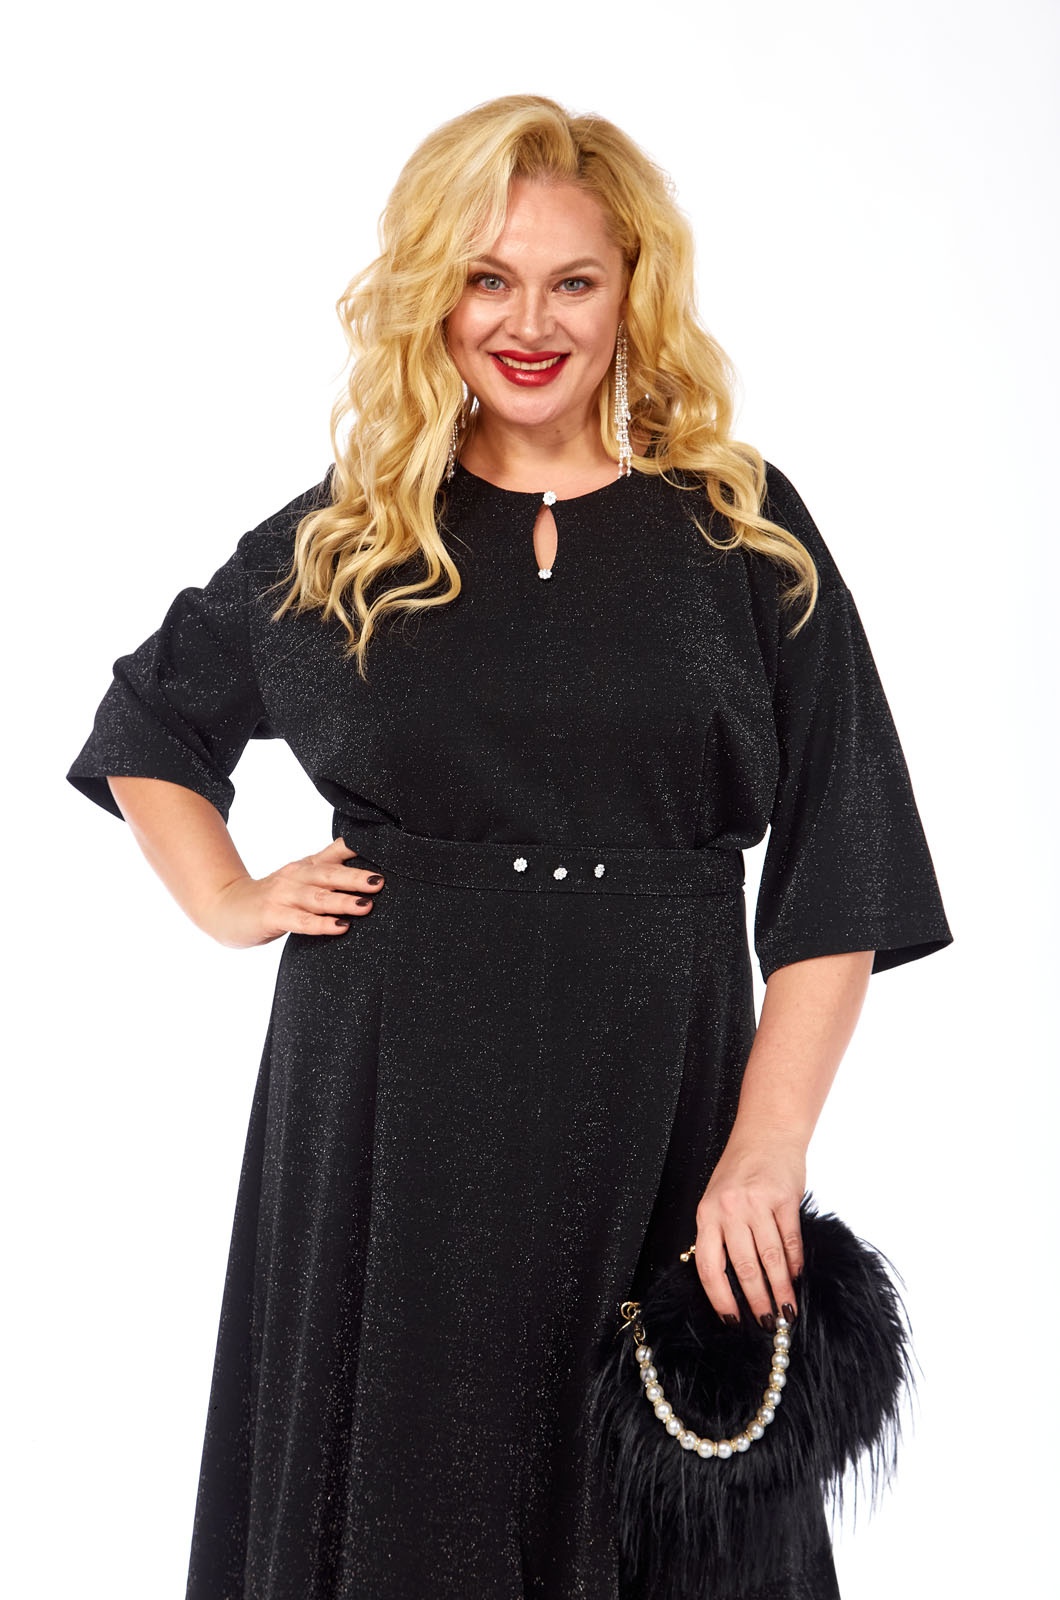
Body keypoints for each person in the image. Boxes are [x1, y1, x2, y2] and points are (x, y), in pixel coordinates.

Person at [68, 94, 952, 1600]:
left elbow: (841, 866)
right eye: (488, 279)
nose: (528, 323)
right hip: (389, 1098)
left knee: (671, 1503)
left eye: (571, 281)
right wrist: (226, 896)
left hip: (660, 1087)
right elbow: (150, 720)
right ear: (434, 294)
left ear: (632, 292)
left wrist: (766, 1147)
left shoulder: (740, 532)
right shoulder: (356, 533)